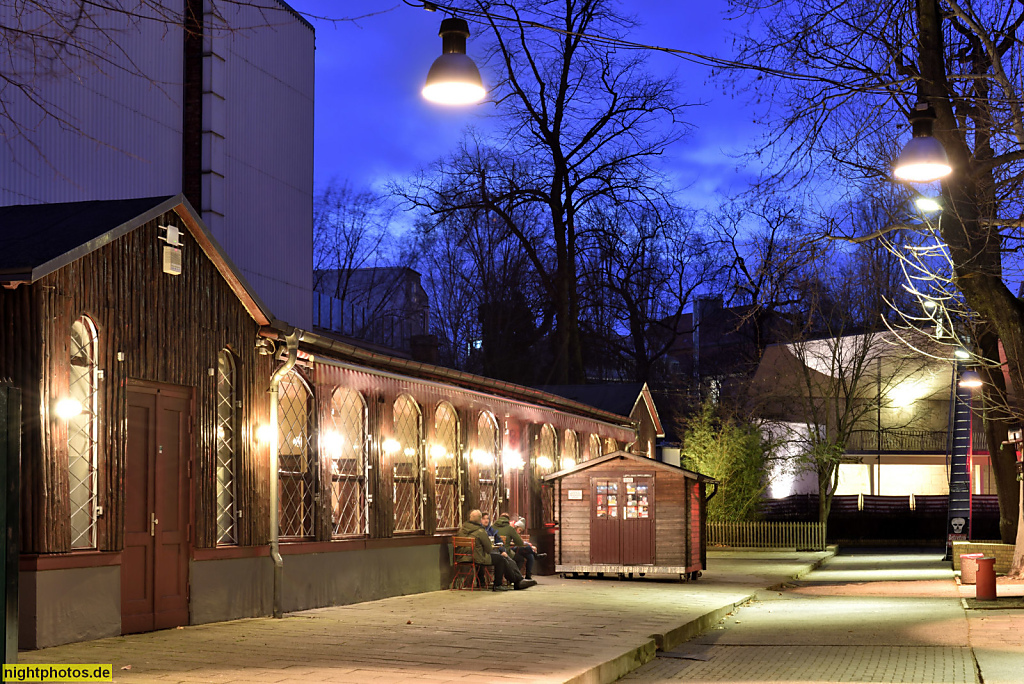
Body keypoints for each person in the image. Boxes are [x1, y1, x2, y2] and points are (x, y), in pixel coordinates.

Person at [457, 510, 533, 590]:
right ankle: (499, 584)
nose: (486, 520)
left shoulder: (462, 529)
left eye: (487, 518)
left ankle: (517, 580)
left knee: (502, 558)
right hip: (476, 557)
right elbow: (489, 548)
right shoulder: (480, 531)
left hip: (462, 557)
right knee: (500, 559)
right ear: (480, 520)